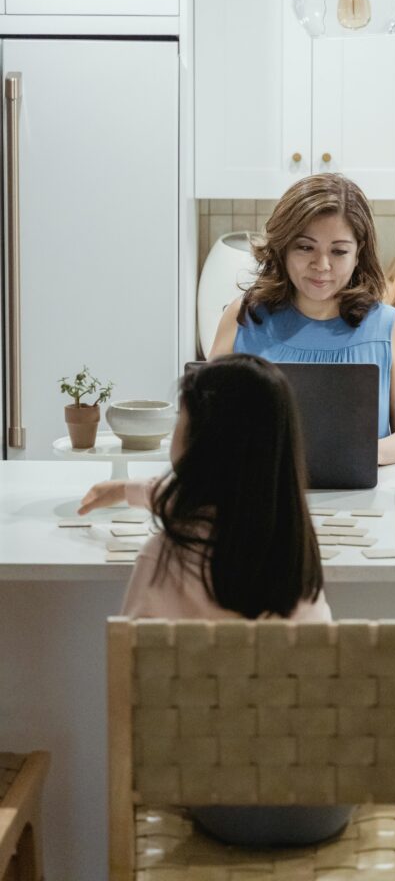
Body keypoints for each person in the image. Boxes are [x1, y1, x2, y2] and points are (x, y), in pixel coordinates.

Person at [79, 355, 351, 846]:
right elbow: (215, 496)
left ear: (201, 444)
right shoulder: (292, 540)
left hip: (229, 807)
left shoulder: (166, 555)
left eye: (178, 422)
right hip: (323, 801)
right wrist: (128, 489)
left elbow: (131, 688)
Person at [210, 173, 395, 465]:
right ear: (283, 247)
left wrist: (368, 452)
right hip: (259, 498)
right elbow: (206, 416)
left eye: (339, 251)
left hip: (359, 503)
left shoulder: (390, 329)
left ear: (358, 254)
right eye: (305, 247)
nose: (322, 265)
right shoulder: (243, 318)